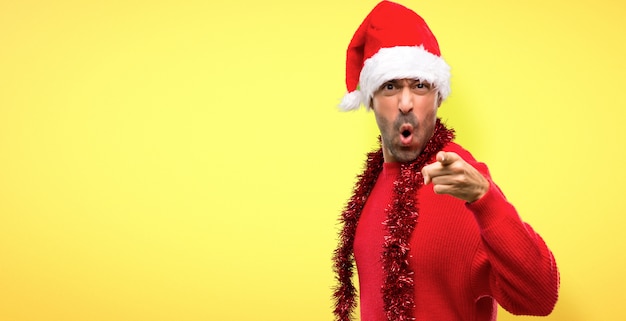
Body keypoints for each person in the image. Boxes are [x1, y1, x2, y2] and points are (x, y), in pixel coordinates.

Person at [331, 1, 560, 321]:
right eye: (391, 86)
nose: (406, 103)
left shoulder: (460, 179)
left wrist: (484, 198)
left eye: (420, 85)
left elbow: (541, 297)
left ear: (438, 95)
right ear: (370, 99)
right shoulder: (372, 186)